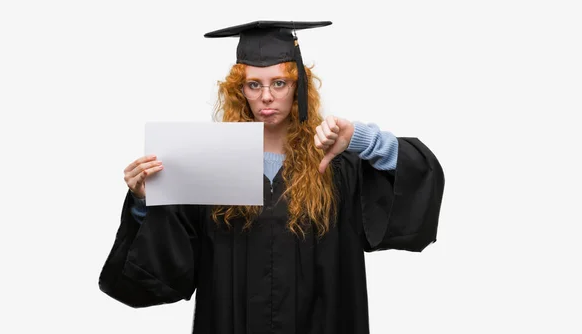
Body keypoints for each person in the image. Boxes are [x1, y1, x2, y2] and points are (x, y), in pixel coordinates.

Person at [98, 20, 445, 334]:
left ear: (298, 87)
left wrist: (360, 138)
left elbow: (416, 181)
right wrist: (146, 200)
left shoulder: (337, 164)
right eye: (254, 84)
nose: (266, 96)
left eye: (279, 83)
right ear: (240, 91)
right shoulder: (208, 163)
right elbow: (165, 269)